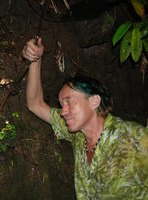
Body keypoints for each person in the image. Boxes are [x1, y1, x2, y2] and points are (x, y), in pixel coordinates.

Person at [23, 38, 148, 199]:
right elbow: (35, 104)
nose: (63, 111)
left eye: (69, 102)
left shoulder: (135, 138)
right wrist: (35, 59)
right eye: (61, 105)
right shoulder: (78, 136)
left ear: (94, 101)